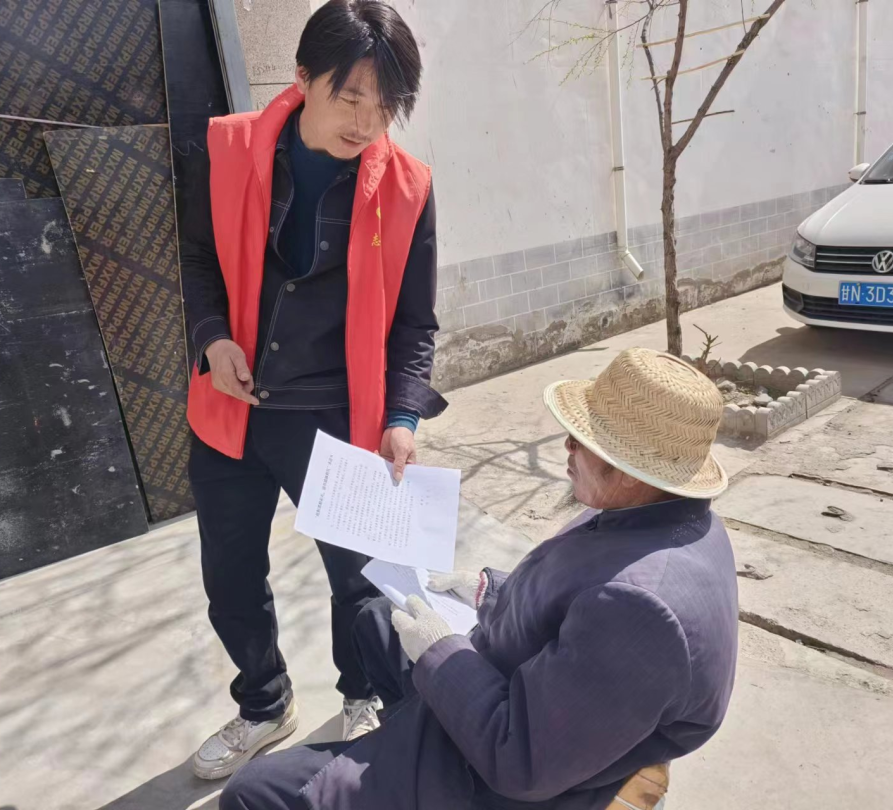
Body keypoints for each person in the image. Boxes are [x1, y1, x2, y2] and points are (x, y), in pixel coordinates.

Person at [220, 347, 741, 810]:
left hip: (495, 774)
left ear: (627, 471)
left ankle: (392, 766)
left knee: (253, 792)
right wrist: (489, 591)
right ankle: (390, 747)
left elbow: (520, 761)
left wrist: (440, 651)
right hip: (519, 686)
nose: (566, 446)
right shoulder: (664, 515)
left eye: (583, 441)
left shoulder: (640, 609)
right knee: (376, 619)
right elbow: (574, 604)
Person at [179, 0, 446, 780]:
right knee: (229, 574)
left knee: (358, 581)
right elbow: (197, 258)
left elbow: (415, 321)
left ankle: (364, 695)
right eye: (350, 96)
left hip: (336, 411)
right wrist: (213, 339)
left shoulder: (408, 188)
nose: (367, 122)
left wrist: (402, 415)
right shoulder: (226, 149)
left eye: (385, 104)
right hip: (231, 405)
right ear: (302, 79)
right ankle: (264, 704)